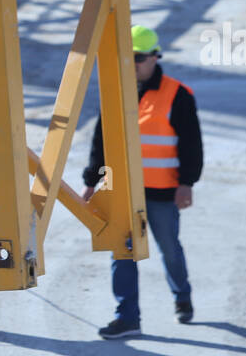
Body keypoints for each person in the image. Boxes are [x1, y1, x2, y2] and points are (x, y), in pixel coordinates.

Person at [82, 25, 202, 339]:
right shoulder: (116, 89)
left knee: (169, 249)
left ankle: (182, 298)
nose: (132, 63)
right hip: (122, 192)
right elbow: (102, 139)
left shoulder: (177, 94)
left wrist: (187, 183)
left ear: (154, 57)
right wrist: (92, 181)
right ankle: (127, 317)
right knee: (122, 253)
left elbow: (191, 143)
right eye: (127, 57)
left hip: (163, 191)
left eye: (138, 57)